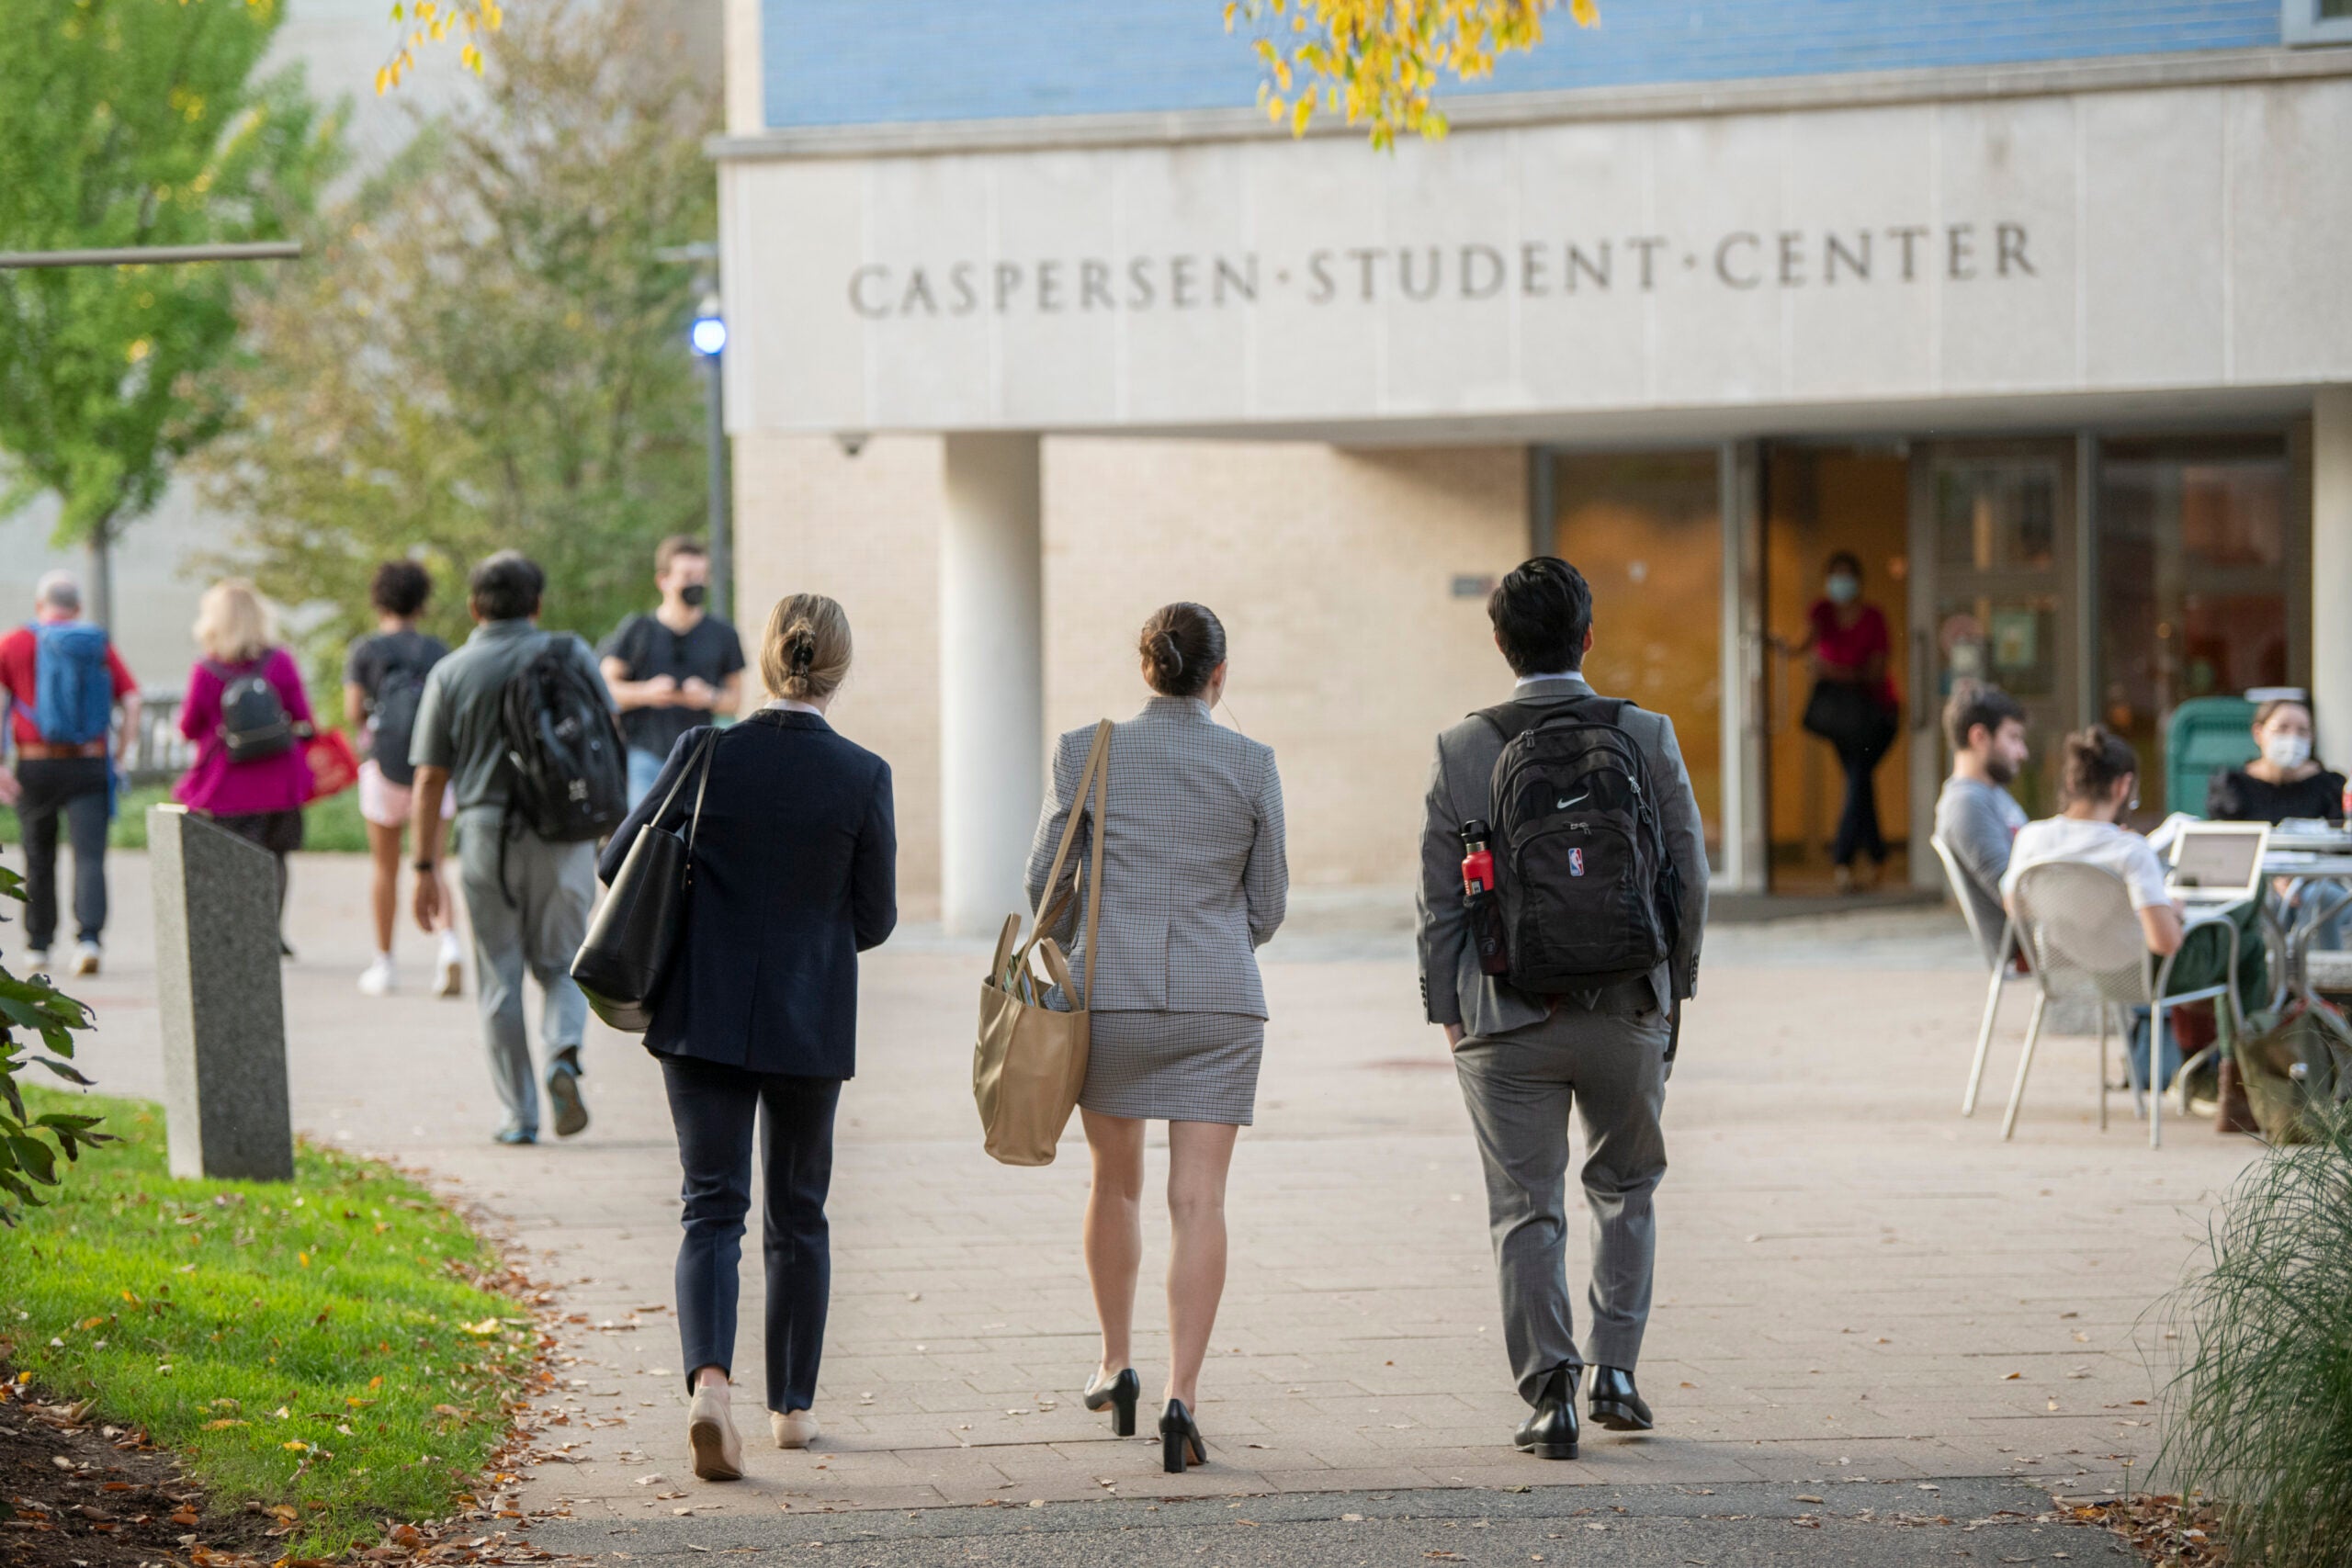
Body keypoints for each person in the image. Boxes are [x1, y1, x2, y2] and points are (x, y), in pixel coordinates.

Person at [1416, 558, 1709, 1464]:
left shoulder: (1462, 749)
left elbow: (1436, 903)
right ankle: (1616, 1369)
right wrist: (1674, 990)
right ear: (1588, 636)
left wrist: (1449, 1012)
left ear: (1500, 642)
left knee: (1525, 1205)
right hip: (1628, 1004)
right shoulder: (1647, 734)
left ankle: (1552, 1396)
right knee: (1626, 1188)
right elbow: (1687, 875)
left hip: (1506, 1014)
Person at [598, 593, 896, 1483]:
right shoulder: (863, 774)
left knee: (710, 1207)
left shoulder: (705, 752)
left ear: (766, 659)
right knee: (798, 1212)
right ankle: (793, 1411)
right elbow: (874, 919)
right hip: (808, 1018)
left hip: (701, 1015)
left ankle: (711, 1390)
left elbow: (620, 858)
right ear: (837, 668)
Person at [1024, 602, 1287, 1476]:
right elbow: (1270, 903)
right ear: (1219, 674)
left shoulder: (1085, 751)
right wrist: (1213, 944)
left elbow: (1044, 884)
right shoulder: (1252, 763)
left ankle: (1113, 1364)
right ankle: (1183, 1398)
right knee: (1200, 1202)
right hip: (1221, 1000)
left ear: (1147, 670)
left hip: (1113, 998)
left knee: (1116, 1182)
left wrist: (1109, 934)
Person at [408, 553, 607, 1145]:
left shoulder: (451, 672)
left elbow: (429, 780)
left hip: (486, 833)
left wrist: (424, 867)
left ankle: (518, 1116)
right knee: (564, 962)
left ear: (474, 607)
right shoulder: (571, 655)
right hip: (562, 832)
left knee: (500, 976)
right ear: (538, 605)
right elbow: (605, 737)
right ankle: (562, 1056)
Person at [2001, 726, 2265, 1097]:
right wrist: (2170, 911)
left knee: (2234, 939)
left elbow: (2017, 906)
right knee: (2249, 935)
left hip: (2087, 970)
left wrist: (2108, 906)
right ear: (2123, 786)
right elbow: (2166, 943)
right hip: (2146, 975)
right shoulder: (2128, 851)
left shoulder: (2032, 839)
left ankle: (2216, 1075)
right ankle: (2240, 1084)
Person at [0, 571, 141, 976]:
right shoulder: (96, 642)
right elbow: (132, 700)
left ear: (39, 605)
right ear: (77, 608)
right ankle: (89, 940)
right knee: (90, 856)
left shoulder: (14, 643)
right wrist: (118, 756)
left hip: (35, 763)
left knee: (38, 855)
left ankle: (38, 946)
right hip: (88, 761)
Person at [344, 560, 464, 998]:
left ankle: (385, 963)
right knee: (433, 862)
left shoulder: (366, 650)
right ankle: (450, 947)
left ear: (379, 599)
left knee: (384, 867)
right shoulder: (438, 650)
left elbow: (353, 711)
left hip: (385, 767)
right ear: (422, 601)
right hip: (433, 769)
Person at [175, 580, 316, 942]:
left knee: (231, 861)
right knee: (276, 858)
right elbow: (303, 716)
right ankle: (271, 933)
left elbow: (189, 727)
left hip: (227, 786)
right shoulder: (280, 661)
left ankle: (238, 933)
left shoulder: (206, 670)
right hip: (280, 780)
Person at [599, 536, 746, 807]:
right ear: (663, 580)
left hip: (700, 760)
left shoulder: (723, 634)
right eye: (688, 576)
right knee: (645, 842)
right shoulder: (637, 629)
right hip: (645, 757)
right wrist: (646, 692)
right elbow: (605, 688)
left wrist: (708, 696)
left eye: (702, 575)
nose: (697, 583)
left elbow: (735, 699)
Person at [1804, 550, 1899, 893]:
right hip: (1842, 720)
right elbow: (1808, 647)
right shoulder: (1823, 613)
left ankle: (1842, 858)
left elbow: (1874, 672)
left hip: (1876, 716)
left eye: (1846, 575)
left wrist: (1832, 671)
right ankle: (1876, 857)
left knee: (1858, 779)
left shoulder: (1873, 618)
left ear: (1858, 580)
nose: (1840, 583)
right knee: (1860, 784)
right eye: (1835, 575)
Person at [1933, 680, 2031, 964]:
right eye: (2013, 738)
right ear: (1979, 736)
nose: (2021, 752)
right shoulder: (1966, 804)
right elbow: (2010, 892)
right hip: (2026, 943)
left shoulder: (1992, 792)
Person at [2206, 696, 2344, 826]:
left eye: (2302, 731)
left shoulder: (2331, 786)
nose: (2292, 738)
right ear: (2258, 733)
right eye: (2282, 728)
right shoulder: (2232, 786)